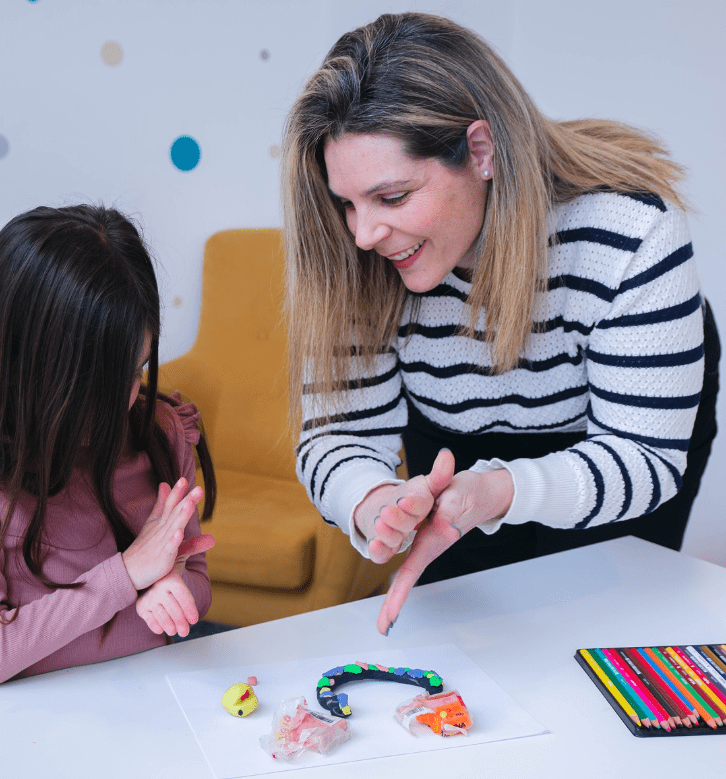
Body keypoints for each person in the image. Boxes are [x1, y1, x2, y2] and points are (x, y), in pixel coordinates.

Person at [282, 12, 720, 635]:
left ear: (481, 152)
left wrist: (499, 491)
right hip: (457, 433)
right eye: (346, 202)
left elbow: (641, 456)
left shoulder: (628, 236)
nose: (364, 233)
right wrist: (374, 501)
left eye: (393, 196)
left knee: (608, 618)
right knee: (474, 628)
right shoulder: (354, 252)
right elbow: (339, 434)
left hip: (623, 431)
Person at [0, 204, 217, 682]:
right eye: (97, 380)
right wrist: (125, 576)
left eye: (136, 370)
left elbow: (197, 575)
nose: (123, 400)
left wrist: (173, 584)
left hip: (154, 704)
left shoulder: (161, 433)